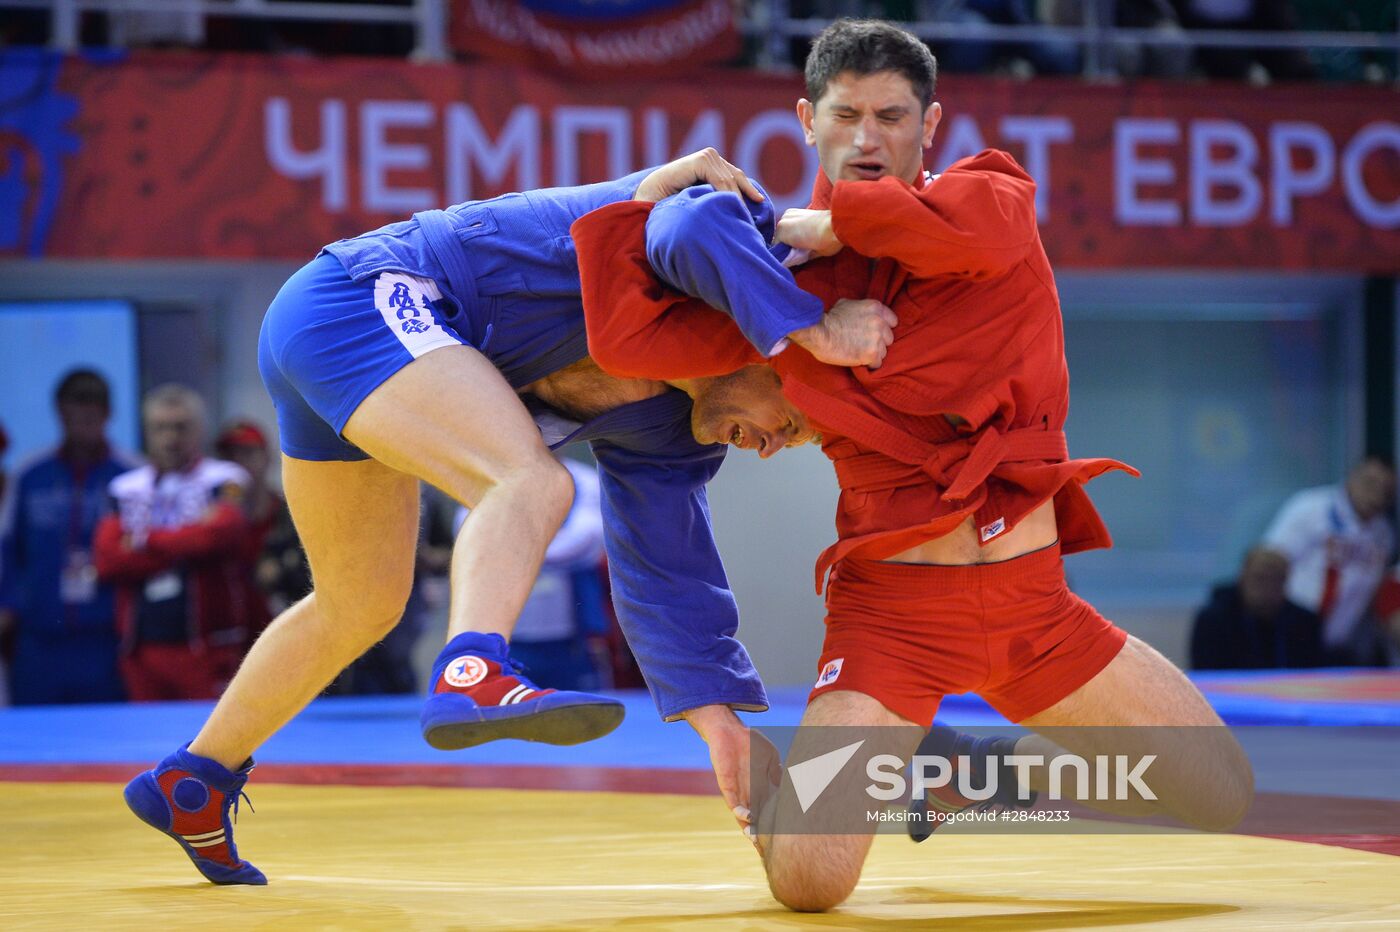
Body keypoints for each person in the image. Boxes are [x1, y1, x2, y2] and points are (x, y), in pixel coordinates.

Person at [572, 18, 1254, 910]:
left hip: (1034, 611)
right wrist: (660, 195)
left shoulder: (991, 204)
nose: (867, 137)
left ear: (930, 126)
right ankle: (868, 778)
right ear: (805, 120)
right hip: (891, 622)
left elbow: (975, 225)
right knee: (810, 884)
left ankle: (969, 775)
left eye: (892, 115)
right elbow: (623, 329)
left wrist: (828, 224)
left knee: (1224, 793)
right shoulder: (781, 285)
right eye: (845, 114)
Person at [121, 151, 890, 886]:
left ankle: (196, 779)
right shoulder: (711, 276)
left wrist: (721, 729)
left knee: (362, 602)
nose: (771, 449)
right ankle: (473, 670)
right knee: (529, 479)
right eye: (793, 426)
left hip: (352, 350)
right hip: (359, 297)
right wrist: (813, 323)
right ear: (776, 358)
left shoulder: (670, 438)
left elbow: (669, 575)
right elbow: (692, 222)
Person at [93, 384, 260, 702]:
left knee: (211, 741)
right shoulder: (125, 488)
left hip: (208, 647)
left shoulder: (226, 478)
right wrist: (186, 543)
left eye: (181, 427)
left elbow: (220, 534)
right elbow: (108, 558)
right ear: (146, 432)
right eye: (161, 428)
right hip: (141, 649)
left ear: (200, 430)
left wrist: (141, 540)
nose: (171, 437)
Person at [0, 370, 137, 705]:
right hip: (39, 640)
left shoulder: (131, 477)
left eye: (91, 419)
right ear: (60, 413)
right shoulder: (30, 474)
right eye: (73, 418)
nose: (81, 429)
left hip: (105, 640)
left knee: (107, 746)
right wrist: (8, 607)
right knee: (32, 744)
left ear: (108, 415)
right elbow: (7, 548)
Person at [1262, 456, 1397, 665]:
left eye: (1386, 490)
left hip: (1339, 647)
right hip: (1288, 635)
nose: (1376, 494)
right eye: (1370, 483)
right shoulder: (1310, 508)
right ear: (1352, 477)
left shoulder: (1384, 535)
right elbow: (1268, 565)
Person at [1190, 546, 1326, 670]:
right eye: (1260, 578)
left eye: (1276, 579)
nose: (1267, 587)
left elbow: (1311, 674)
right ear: (1243, 577)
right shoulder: (1213, 621)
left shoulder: (1304, 623)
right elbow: (1206, 674)